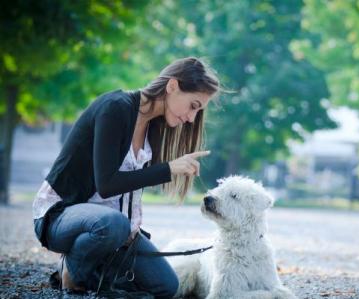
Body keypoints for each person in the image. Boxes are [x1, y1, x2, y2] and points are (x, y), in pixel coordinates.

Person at [32, 57, 220, 298]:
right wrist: (168, 169)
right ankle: (72, 271)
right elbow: (107, 184)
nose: (192, 118)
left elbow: (129, 194)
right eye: (193, 105)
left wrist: (132, 232)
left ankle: (95, 272)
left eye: (198, 110)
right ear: (172, 86)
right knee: (113, 224)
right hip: (60, 215)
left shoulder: (155, 125)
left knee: (166, 287)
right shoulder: (115, 107)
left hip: (116, 229)